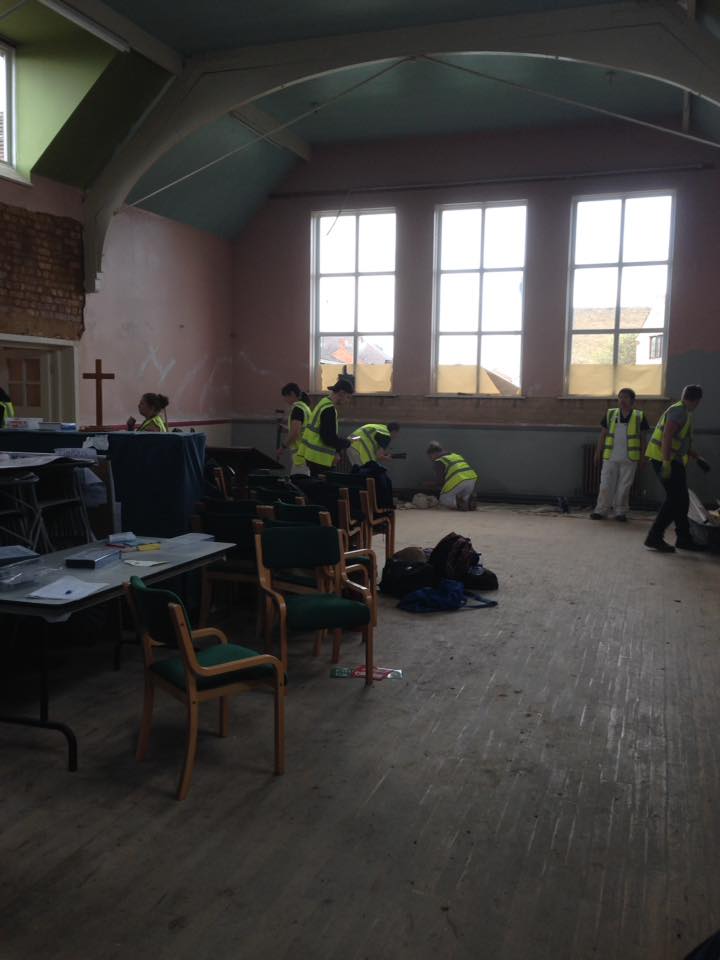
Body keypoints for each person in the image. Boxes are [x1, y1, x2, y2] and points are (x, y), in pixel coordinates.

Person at [644, 384, 710, 552]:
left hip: (671, 460)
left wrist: (697, 458)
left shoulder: (684, 411)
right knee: (675, 500)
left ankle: (683, 538)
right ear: (698, 400)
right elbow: (667, 437)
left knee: (682, 500)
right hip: (665, 459)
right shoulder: (679, 412)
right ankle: (654, 537)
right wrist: (666, 463)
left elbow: (680, 442)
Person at [590, 387, 650, 522]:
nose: (622, 400)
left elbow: (643, 439)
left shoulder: (639, 416)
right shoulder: (610, 414)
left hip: (630, 458)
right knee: (605, 485)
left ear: (632, 400)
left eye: (626, 397)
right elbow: (602, 435)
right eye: (620, 397)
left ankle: (620, 512)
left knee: (624, 487)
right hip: (610, 456)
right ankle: (601, 510)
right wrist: (597, 452)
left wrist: (643, 457)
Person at [297, 376, 354, 476]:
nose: (348, 401)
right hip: (321, 460)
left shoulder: (323, 403)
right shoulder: (329, 409)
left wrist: (337, 451)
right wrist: (347, 443)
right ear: (341, 393)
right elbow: (328, 438)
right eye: (348, 397)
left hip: (312, 456)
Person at [427, 441, 478, 510]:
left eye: (430, 457)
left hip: (458, 481)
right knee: (462, 495)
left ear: (433, 453)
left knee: (444, 500)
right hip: (471, 479)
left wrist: (428, 484)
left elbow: (440, 482)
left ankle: (460, 504)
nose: (431, 459)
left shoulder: (439, 461)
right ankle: (467, 501)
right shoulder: (455, 455)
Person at [277, 382, 312, 476]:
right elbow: (301, 429)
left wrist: (282, 447)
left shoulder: (297, 409)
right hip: (307, 453)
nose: (285, 400)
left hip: (300, 455)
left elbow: (295, 432)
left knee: (299, 482)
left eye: (285, 397)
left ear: (292, 394)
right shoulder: (306, 408)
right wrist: (287, 429)